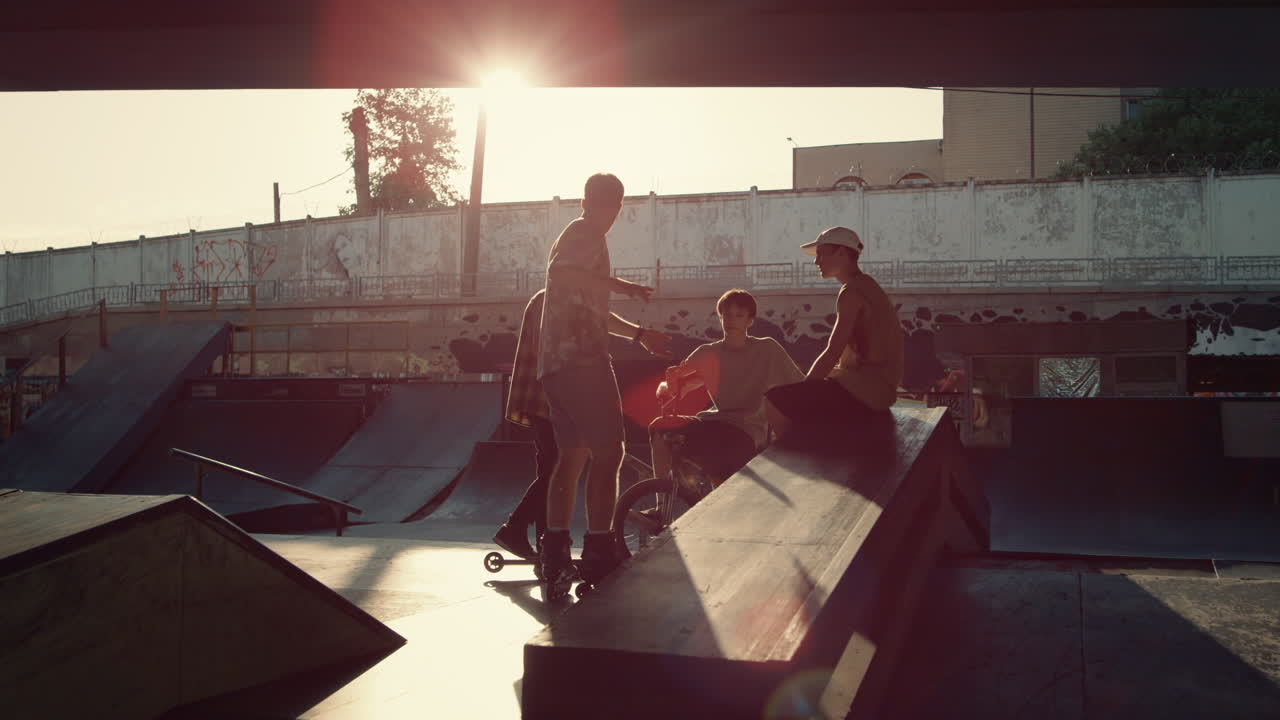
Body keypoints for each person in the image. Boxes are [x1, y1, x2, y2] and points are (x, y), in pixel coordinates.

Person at [537, 173, 670, 600]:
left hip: (556, 365)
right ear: (590, 204)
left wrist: (637, 334)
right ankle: (598, 548)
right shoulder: (584, 234)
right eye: (604, 206)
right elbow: (563, 273)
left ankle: (554, 553)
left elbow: (592, 308)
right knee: (610, 452)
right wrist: (622, 284)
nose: (608, 215)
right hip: (581, 362)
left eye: (612, 208)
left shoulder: (579, 234)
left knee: (572, 456)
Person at [650, 289, 803, 486]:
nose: (732, 320)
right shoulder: (707, 352)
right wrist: (667, 385)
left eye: (739, 315)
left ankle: (705, 485)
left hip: (746, 431)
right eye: (727, 315)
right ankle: (660, 506)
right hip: (714, 422)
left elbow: (799, 384)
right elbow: (676, 380)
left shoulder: (767, 349)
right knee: (659, 426)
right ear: (720, 318)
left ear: (750, 321)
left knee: (720, 475)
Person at [765, 227, 904, 434]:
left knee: (773, 400)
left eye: (821, 253)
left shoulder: (851, 293)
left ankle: (796, 460)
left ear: (841, 252)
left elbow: (833, 350)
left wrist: (804, 391)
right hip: (879, 391)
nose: (816, 261)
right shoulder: (869, 286)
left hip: (866, 393)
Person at [491, 289, 553, 561]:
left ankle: (546, 542)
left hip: (542, 399)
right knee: (557, 471)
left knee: (551, 471)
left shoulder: (542, 298)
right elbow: (552, 352)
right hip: (549, 398)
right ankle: (515, 527)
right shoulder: (552, 301)